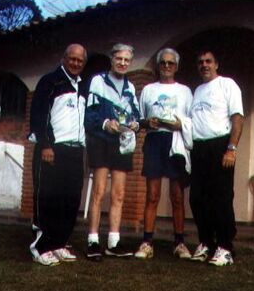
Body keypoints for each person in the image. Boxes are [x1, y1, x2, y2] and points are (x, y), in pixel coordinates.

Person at [29, 44, 88, 266]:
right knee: (48, 199)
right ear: (64, 58)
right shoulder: (50, 81)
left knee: (70, 200)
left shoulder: (83, 87)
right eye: (72, 59)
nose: (75, 63)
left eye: (80, 60)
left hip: (75, 152)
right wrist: (45, 145)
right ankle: (41, 247)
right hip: (52, 150)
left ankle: (59, 243)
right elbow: (39, 115)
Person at [134, 48, 193, 260]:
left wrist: (180, 124)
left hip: (176, 142)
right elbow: (139, 120)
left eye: (170, 63)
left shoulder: (185, 91)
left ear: (176, 67)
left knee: (177, 197)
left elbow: (191, 120)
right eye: (163, 63)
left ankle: (179, 243)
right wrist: (145, 123)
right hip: (154, 141)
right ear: (158, 66)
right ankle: (147, 242)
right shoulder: (149, 89)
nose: (166, 66)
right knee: (152, 195)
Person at [84, 43, 140, 261]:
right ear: (112, 59)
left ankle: (113, 243)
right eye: (119, 59)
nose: (123, 63)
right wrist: (106, 123)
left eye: (127, 60)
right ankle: (93, 241)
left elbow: (135, 114)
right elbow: (89, 116)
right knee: (99, 192)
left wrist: (135, 124)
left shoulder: (130, 87)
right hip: (101, 141)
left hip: (122, 143)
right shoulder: (98, 81)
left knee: (118, 194)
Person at [189, 49, 244, 266]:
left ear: (216, 64)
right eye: (200, 62)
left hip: (221, 146)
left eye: (208, 61)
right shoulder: (198, 90)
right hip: (199, 148)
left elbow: (238, 118)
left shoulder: (227, 84)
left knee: (221, 198)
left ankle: (225, 247)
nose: (204, 65)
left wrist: (231, 148)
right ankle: (206, 242)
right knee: (198, 198)